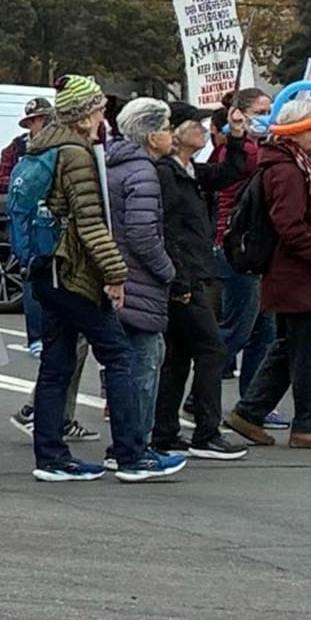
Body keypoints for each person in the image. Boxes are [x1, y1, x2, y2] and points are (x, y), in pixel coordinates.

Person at [24, 76, 183, 483]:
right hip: (74, 273)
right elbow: (90, 222)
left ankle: (51, 457)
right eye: (97, 110)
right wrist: (115, 273)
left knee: (56, 365)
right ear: (83, 116)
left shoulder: (42, 147)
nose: (102, 118)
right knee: (119, 356)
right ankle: (131, 455)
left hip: (46, 269)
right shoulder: (76, 154)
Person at [223, 95, 311, 451]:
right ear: (296, 130)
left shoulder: (290, 163)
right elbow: (289, 224)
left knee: (289, 346)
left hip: (289, 273)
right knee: (309, 351)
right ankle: (309, 424)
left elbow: (301, 204)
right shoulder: (288, 169)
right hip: (296, 272)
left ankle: (249, 412)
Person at [154, 101, 251, 460]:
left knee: (179, 354)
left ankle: (164, 431)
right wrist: (179, 278)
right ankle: (206, 432)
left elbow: (230, 172)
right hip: (184, 275)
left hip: (194, 270)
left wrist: (237, 135)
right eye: (194, 124)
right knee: (211, 349)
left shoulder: (190, 170)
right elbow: (165, 229)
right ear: (175, 133)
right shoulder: (167, 174)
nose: (201, 130)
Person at [107, 100, 177, 441]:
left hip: (121, 274)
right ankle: (135, 446)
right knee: (144, 364)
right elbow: (141, 233)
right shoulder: (142, 172)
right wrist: (167, 270)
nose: (171, 134)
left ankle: (130, 443)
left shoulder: (114, 164)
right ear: (151, 136)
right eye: (166, 128)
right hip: (138, 279)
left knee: (132, 361)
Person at [213, 87, 275, 413]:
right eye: (261, 112)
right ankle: (199, 394)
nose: (269, 118)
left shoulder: (253, 148)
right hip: (237, 246)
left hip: (255, 247)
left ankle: (253, 403)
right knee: (237, 329)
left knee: (263, 330)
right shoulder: (246, 152)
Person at [0, 96, 55, 353]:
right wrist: (24, 182)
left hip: (50, 219)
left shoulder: (59, 147)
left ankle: (54, 336)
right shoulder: (16, 149)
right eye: (34, 120)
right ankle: (36, 337)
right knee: (31, 276)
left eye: (43, 119)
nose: (39, 124)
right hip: (26, 220)